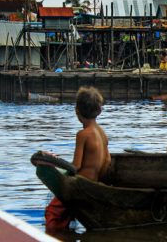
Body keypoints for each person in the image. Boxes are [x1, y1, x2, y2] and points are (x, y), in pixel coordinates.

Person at [45, 86, 111, 230]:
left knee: (52, 212)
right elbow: (107, 162)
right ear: (99, 110)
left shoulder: (83, 134)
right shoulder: (103, 134)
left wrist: (55, 162)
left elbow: (76, 166)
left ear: (77, 111)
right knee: (66, 213)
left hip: (79, 186)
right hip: (93, 184)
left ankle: (53, 237)